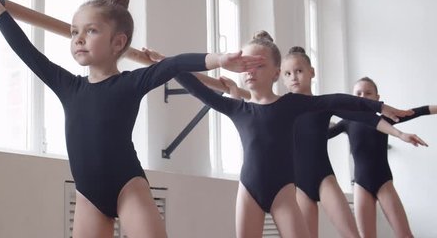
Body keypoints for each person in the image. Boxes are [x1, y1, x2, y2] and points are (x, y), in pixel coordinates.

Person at [0, 0, 264, 238]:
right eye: (74, 32)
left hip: (127, 187)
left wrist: (220, 59)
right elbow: (28, 53)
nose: (78, 38)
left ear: (118, 42)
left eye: (91, 30)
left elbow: (174, 64)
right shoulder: (68, 86)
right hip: (88, 197)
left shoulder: (131, 83)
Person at [143, 32, 413, 238]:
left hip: (284, 194)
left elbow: (339, 100)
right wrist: (166, 63)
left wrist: (380, 107)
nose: (250, 71)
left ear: (275, 73)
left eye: (258, 65)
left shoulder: (291, 105)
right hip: (248, 191)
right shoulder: (237, 108)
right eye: (245, 65)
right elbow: (193, 85)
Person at [279, 47, 426, 238]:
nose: (294, 77)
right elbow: (254, 102)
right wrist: (235, 90)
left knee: (352, 235)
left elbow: (364, 115)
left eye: (299, 71)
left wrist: (399, 134)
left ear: (311, 72)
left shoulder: (325, 103)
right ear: (281, 77)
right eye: (287, 73)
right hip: (299, 184)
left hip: (324, 179)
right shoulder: (279, 107)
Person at [329, 77, 435, 238]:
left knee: (405, 235)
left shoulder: (385, 119)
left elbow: (418, 111)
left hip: (383, 182)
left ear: (377, 99)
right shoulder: (347, 122)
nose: (363, 96)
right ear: (352, 98)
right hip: (360, 185)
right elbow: (323, 134)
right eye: (358, 93)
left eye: (368, 93)